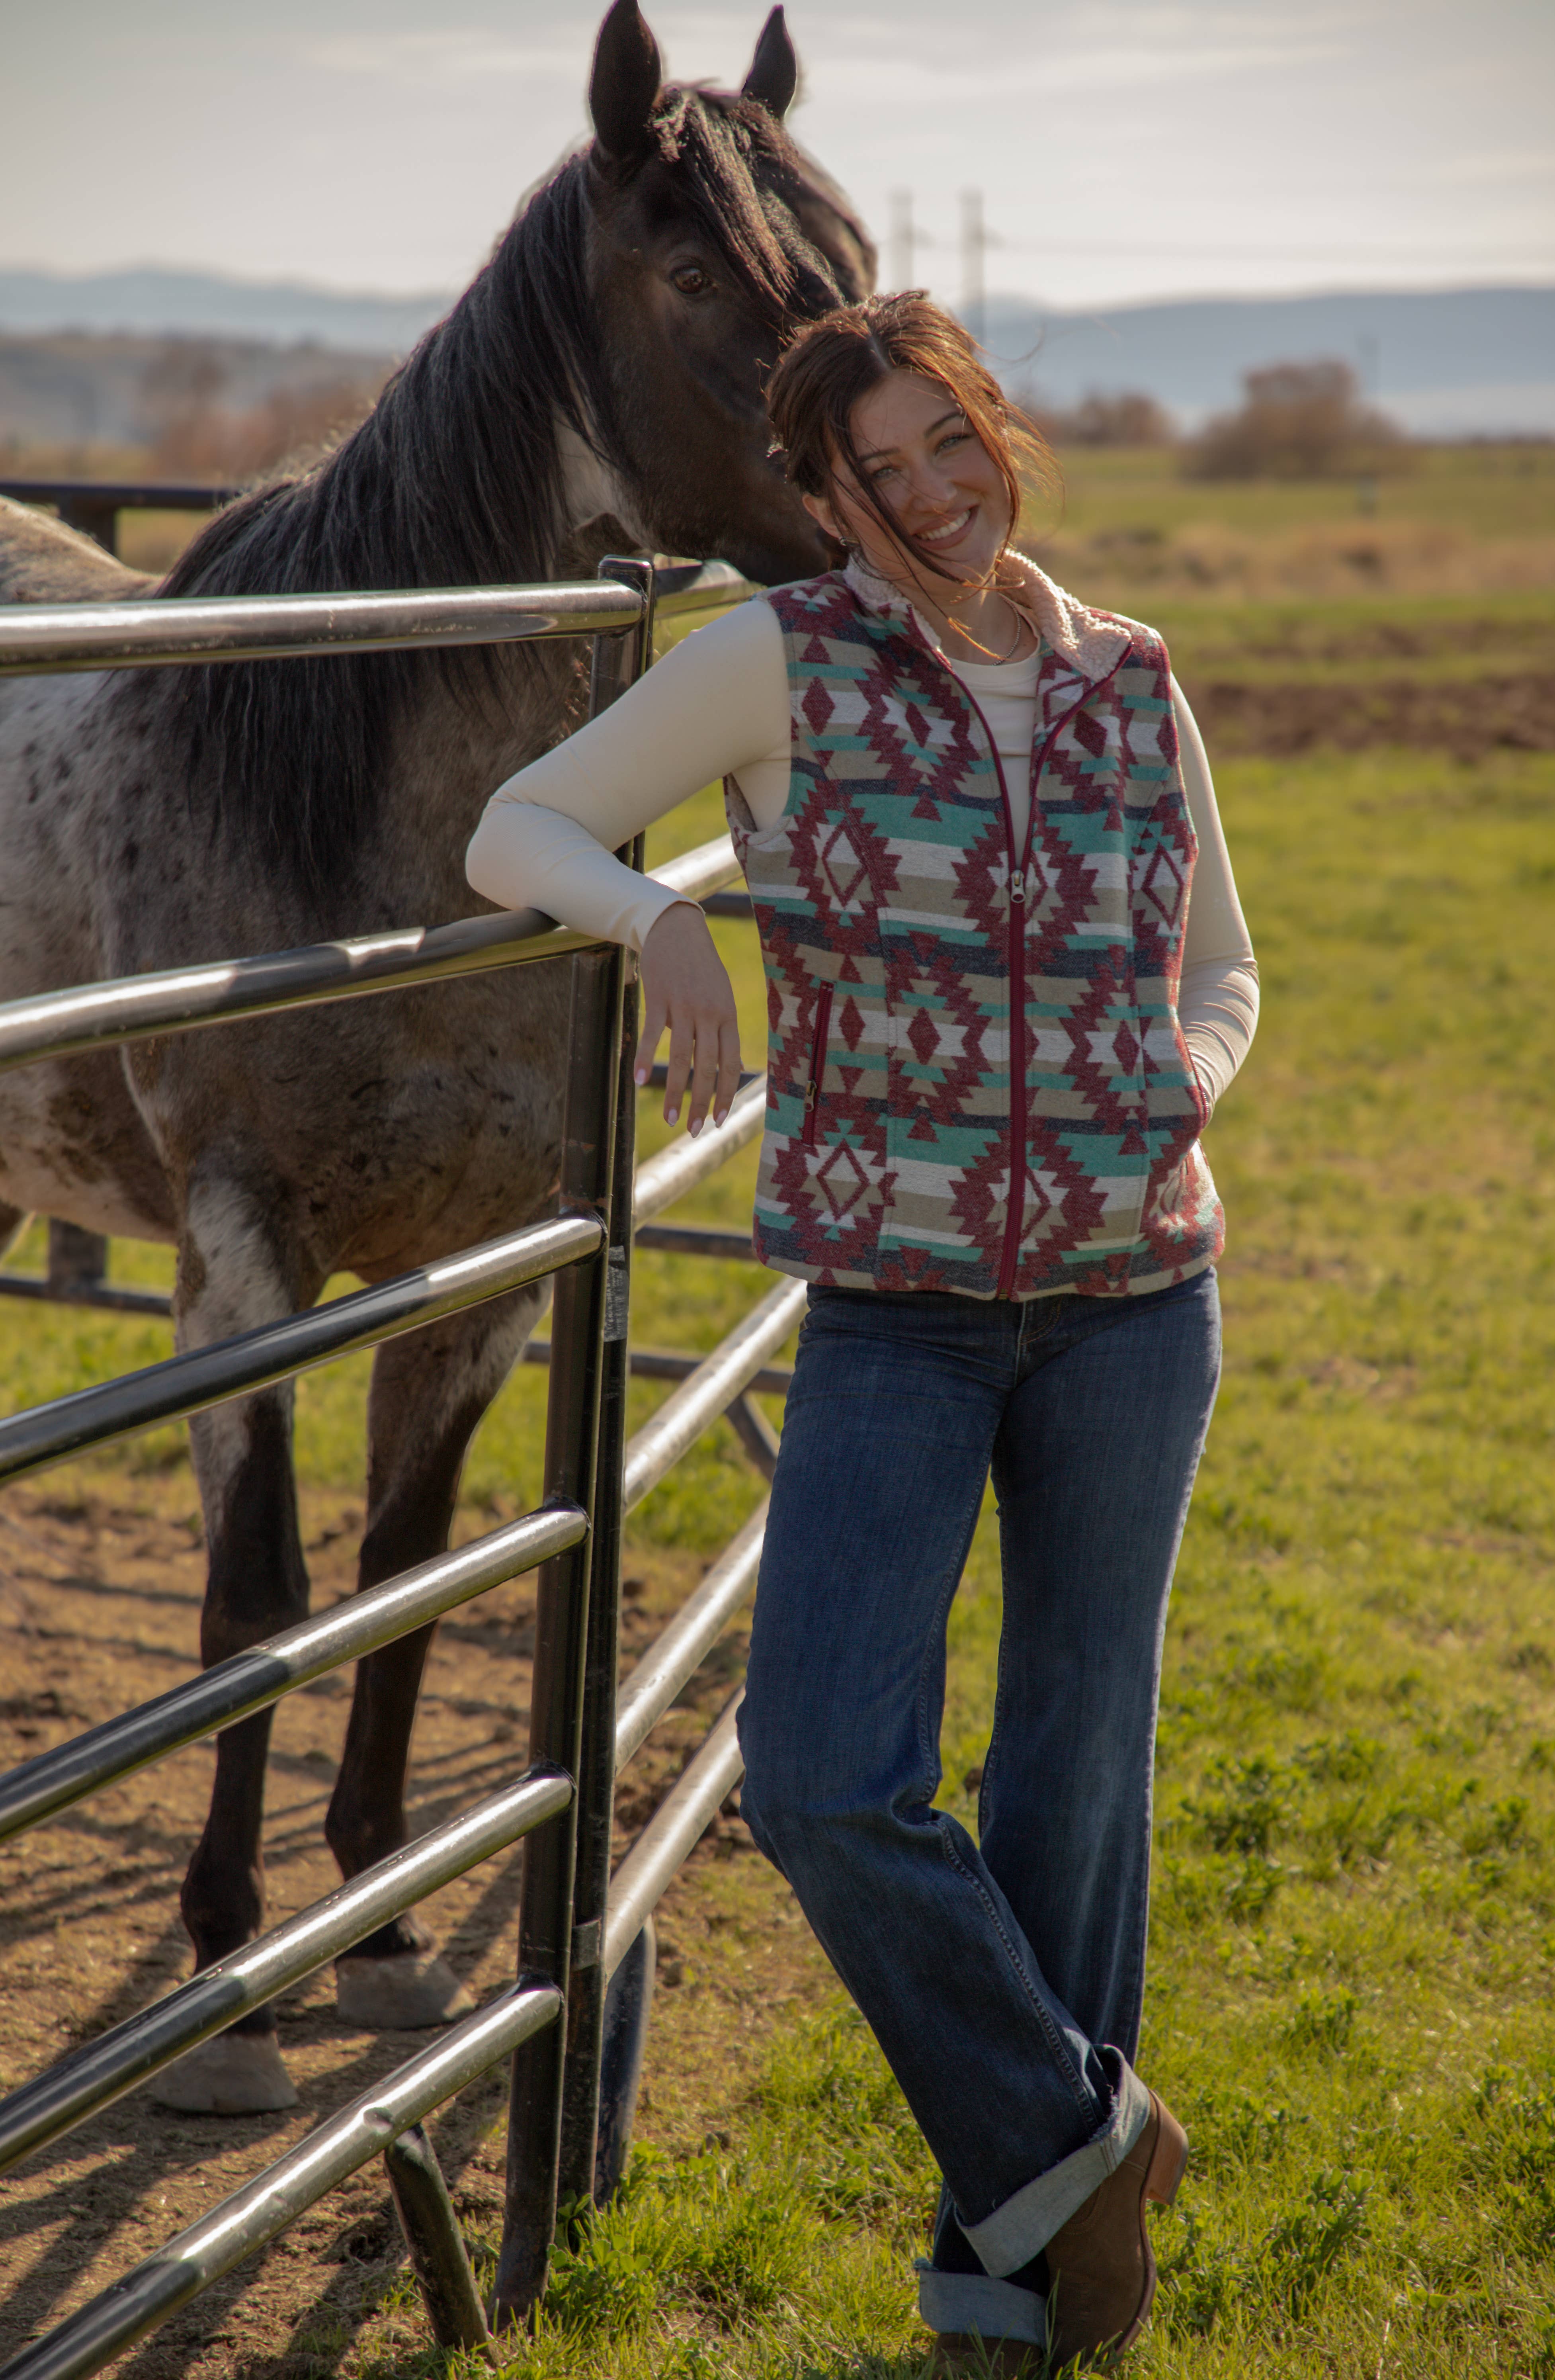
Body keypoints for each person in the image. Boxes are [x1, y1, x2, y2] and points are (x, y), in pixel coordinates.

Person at [466, 292, 1258, 2374]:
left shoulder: (1127, 679)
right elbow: (515, 820)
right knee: (822, 1773)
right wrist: (656, 919)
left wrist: (1169, 1086)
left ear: (992, 429)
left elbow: (1221, 968)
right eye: (867, 473)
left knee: (1075, 1770)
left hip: (1133, 1296)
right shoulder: (776, 656)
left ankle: (1001, 2276)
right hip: (897, 1302)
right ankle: (1086, 2141)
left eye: (941, 444)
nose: (920, 496)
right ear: (818, 498)